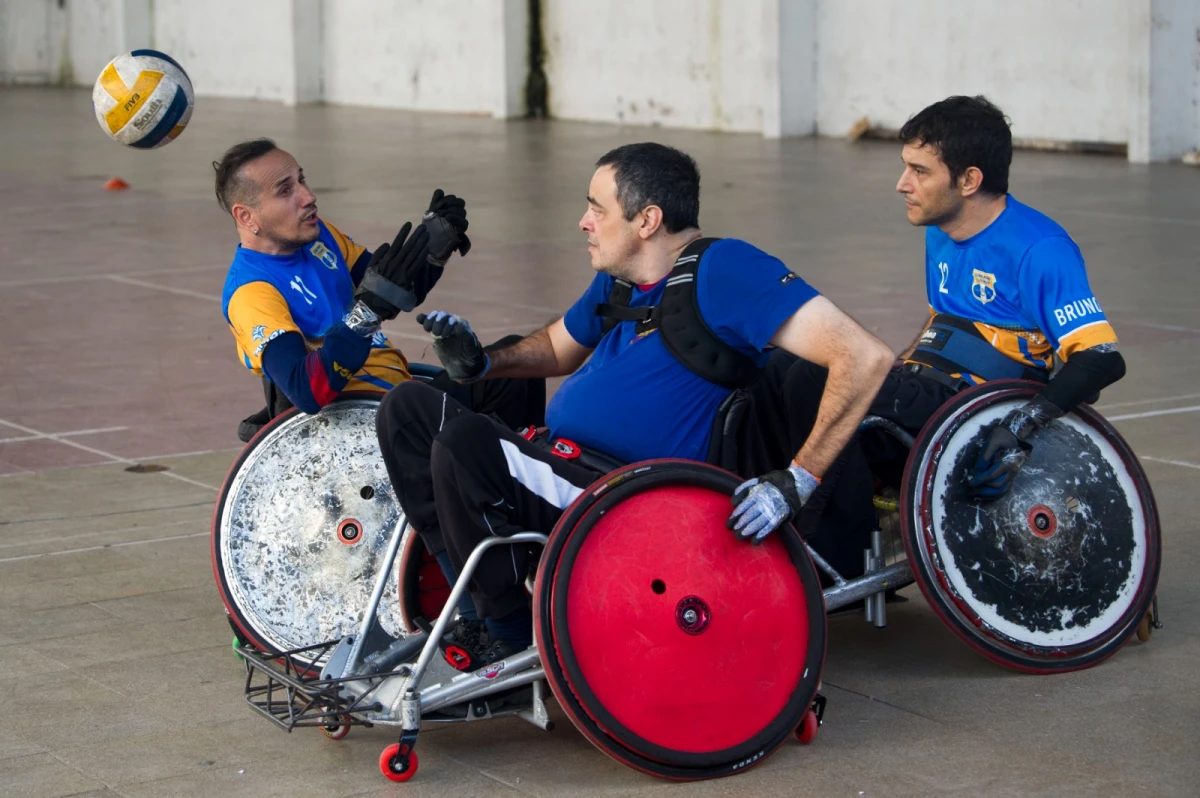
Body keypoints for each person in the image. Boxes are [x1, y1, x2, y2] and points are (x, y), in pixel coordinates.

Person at [375, 142, 893, 666]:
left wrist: (799, 479)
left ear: (647, 220)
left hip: (634, 499)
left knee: (468, 445)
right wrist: (480, 362)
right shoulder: (624, 278)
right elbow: (557, 347)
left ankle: (508, 634)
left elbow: (865, 356)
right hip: (564, 466)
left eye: (597, 209)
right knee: (407, 410)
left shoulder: (725, 268)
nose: (583, 222)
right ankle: (471, 607)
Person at [862, 96, 1126, 498]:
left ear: (969, 181)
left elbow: (1100, 359)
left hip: (971, 412)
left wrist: (1019, 426)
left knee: (830, 386)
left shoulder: (1040, 249)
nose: (902, 183)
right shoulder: (941, 230)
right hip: (923, 392)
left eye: (918, 170)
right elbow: (944, 319)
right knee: (787, 375)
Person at [213, 138, 543, 440]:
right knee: (482, 428)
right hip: (362, 428)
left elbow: (393, 291)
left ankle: (524, 481)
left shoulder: (318, 238)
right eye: (285, 191)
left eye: (302, 180)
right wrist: (365, 315)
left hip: (400, 395)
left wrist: (434, 250)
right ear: (246, 216)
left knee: (515, 363)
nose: (308, 196)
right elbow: (306, 390)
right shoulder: (252, 291)